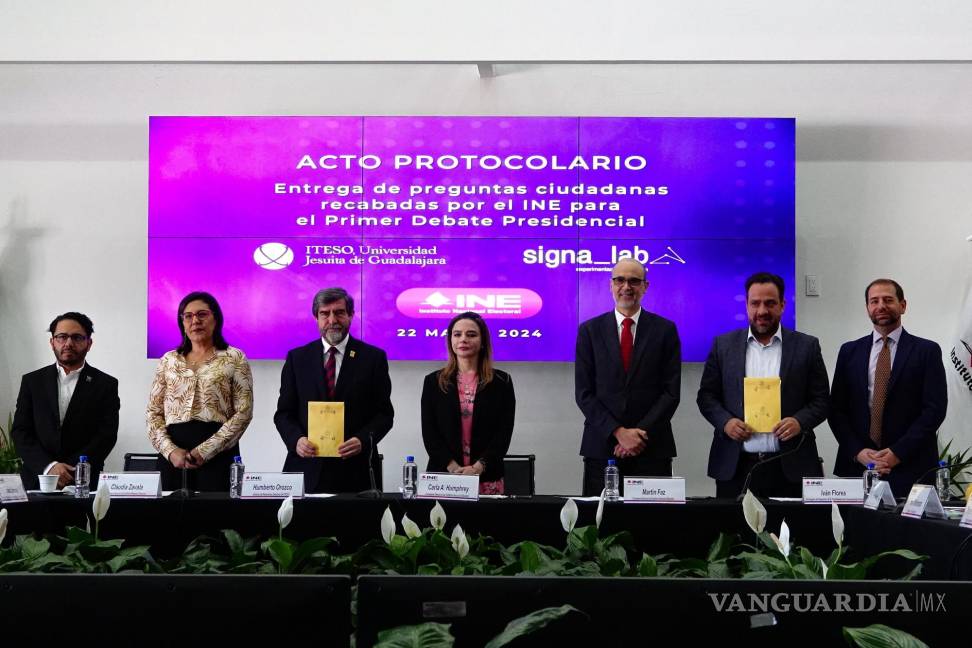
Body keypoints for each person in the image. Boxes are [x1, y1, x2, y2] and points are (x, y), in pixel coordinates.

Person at [697, 272, 829, 498]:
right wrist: (726, 423)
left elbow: (822, 400)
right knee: (733, 523)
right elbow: (707, 397)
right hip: (736, 467)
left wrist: (799, 422)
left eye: (770, 303)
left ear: (782, 305)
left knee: (791, 523)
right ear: (746, 305)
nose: (762, 311)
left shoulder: (807, 346)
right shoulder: (723, 345)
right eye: (755, 303)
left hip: (791, 466)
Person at [830, 278, 947, 497]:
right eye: (874, 301)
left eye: (888, 300)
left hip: (911, 466)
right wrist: (858, 452)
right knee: (854, 522)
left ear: (903, 305)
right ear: (867, 308)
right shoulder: (849, 352)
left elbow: (935, 409)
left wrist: (897, 452)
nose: (881, 306)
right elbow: (836, 410)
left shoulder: (927, 351)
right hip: (858, 467)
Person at [575, 258, 681, 496]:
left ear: (645, 286)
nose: (626, 286)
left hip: (652, 448)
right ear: (610, 285)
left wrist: (639, 434)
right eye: (619, 280)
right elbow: (584, 393)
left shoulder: (665, 330)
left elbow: (671, 392)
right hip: (602, 448)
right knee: (600, 518)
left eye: (634, 281)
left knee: (651, 520)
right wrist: (619, 433)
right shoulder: (589, 331)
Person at [274, 287, 394, 493]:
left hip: (356, 471)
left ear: (351, 315)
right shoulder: (297, 358)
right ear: (316, 317)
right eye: (325, 313)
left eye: (339, 312)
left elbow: (384, 414)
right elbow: (284, 414)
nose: (332, 320)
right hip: (306, 468)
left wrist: (362, 440)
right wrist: (296, 440)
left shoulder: (373, 358)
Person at [146, 292, 253, 491]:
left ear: (216, 318)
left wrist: (205, 451)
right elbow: (154, 413)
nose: (195, 321)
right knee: (170, 508)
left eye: (202, 314)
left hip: (218, 451)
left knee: (214, 509)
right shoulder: (169, 360)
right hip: (174, 454)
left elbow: (244, 412)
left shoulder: (234, 357)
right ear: (182, 322)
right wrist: (170, 451)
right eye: (188, 316)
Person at [12, 312, 119, 490]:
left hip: (83, 482)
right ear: (52, 342)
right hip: (37, 480)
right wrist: (49, 467)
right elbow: (21, 431)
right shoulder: (32, 381)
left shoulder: (105, 384)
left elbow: (106, 435)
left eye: (77, 337)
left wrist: (71, 470)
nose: (68, 343)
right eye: (61, 337)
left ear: (89, 343)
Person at [421, 312, 515, 494]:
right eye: (457, 334)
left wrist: (478, 468)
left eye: (471, 334)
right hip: (444, 477)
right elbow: (430, 433)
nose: (463, 339)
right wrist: (453, 468)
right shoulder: (433, 381)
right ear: (450, 340)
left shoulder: (502, 382)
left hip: (487, 478)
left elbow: (503, 433)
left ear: (483, 341)